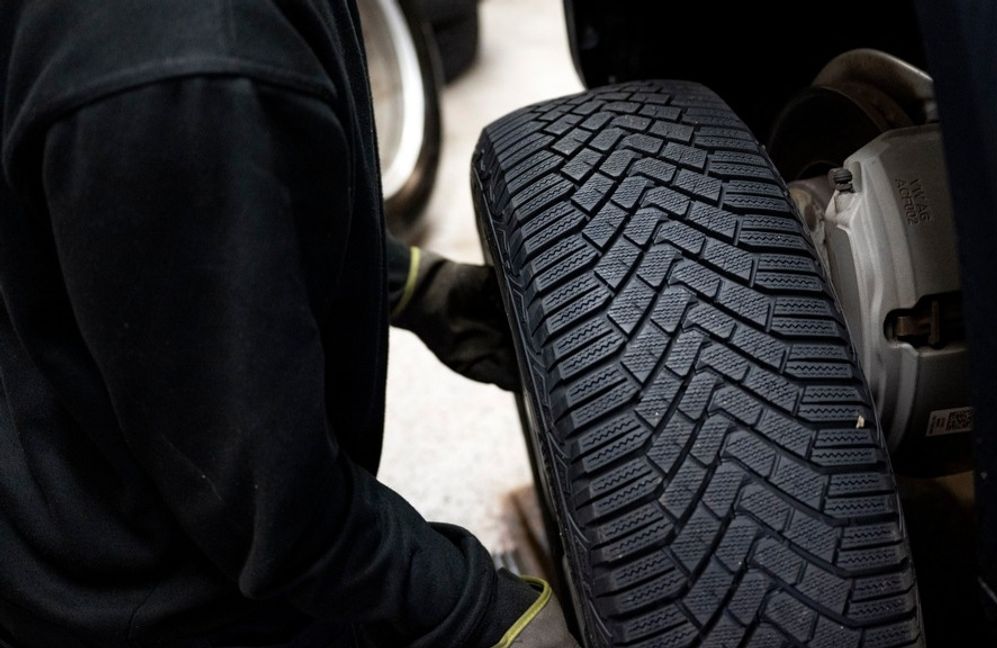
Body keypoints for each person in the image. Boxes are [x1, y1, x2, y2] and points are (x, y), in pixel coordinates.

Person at [0, 1, 577, 646]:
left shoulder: (185, 84)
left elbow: (183, 211)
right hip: (164, 599)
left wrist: (407, 283)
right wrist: (476, 613)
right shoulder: (175, 74)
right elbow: (275, 515)